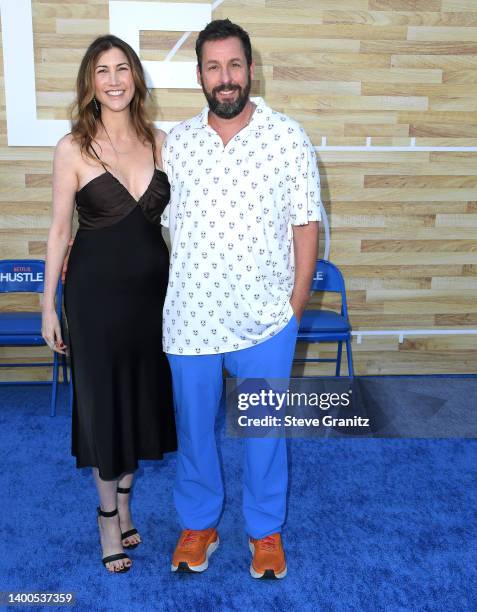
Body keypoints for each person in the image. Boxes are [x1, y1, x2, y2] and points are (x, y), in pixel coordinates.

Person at [161, 19, 321, 579]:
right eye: (213, 66)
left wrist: (294, 311)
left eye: (234, 65)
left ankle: (265, 531)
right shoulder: (176, 143)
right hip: (190, 321)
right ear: (199, 73)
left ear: (250, 69)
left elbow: (306, 226)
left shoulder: (287, 137)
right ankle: (199, 525)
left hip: (265, 321)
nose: (225, 77)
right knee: (194, 430)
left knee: (264, 433)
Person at [41, 35, 176, 574]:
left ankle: (124, 505)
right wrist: (48, 304)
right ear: (90, 82)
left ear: (137, 78)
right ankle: (105, 519)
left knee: (136, 398)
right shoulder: (72, 147)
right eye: (103, 71)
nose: (115, 79)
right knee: (102, 404)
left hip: (152, 301)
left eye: (124, 68)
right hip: (93, 299)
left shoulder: (164, 142)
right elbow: (57, 232)